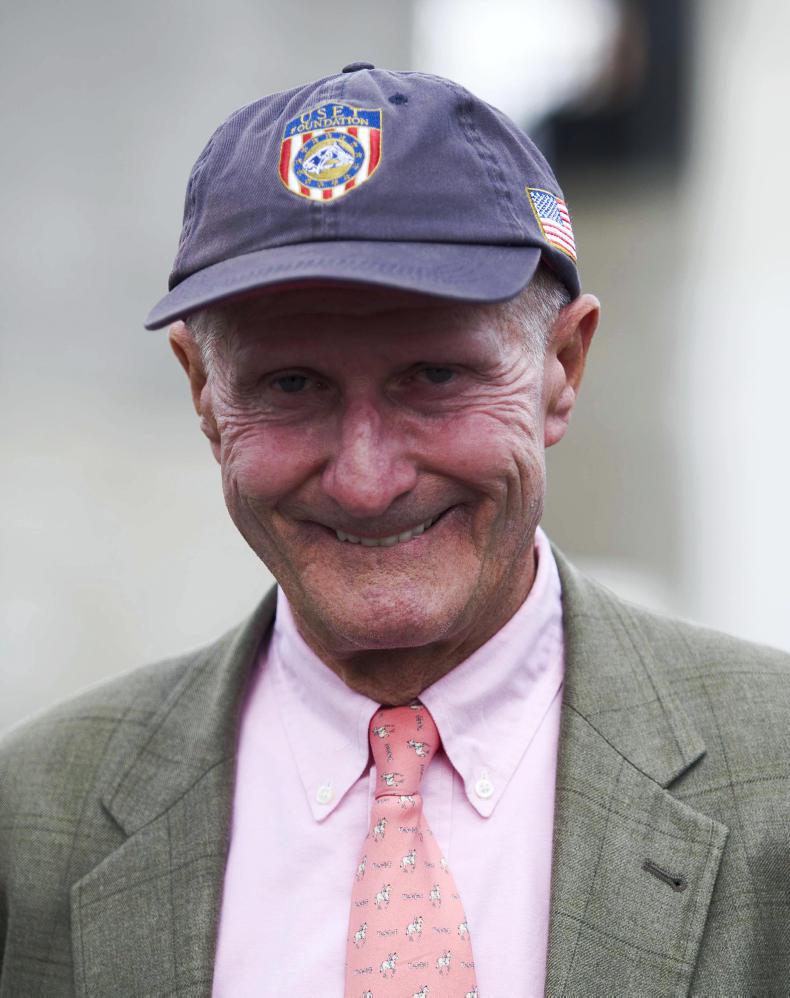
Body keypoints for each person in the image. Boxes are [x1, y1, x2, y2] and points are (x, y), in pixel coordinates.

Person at [1, 64, 788, 998]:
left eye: (435, 377)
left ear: (563, 365)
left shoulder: (773, 778)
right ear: (204, 393)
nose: (366, 482)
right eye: (292, 385)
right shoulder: (34, 822)